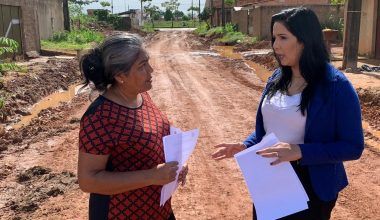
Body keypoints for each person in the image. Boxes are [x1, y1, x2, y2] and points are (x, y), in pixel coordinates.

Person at [212, 7, 364, 220]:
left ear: (305, 40)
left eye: (283, 38)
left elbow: (353, 147)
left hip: (312, 187)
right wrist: (246, 144)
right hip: (270, 179)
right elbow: (271, 131)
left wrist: (301, 152)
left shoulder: (336, 86)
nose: (275, 45)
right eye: (274, 38)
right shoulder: (276, 78)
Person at [77, 33, 188, 220]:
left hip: (158, 210)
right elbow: (88, 181)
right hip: (121, 213)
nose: (151, 70)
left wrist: (178, 165)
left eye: (148, 62)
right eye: (142, 66)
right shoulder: (100, 117)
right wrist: (152, 176)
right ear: (120, 76)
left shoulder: (141, 97)